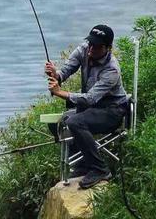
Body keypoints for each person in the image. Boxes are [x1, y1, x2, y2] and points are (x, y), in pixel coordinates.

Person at [44, 24, 128, 189]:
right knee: (63, 121)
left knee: (76, 122)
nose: (91, 49)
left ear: (108, 48)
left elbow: (90, 98)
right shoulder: (84, 49)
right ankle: (83, 165)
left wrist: (60, 92)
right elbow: (66, 70)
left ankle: (100, 169)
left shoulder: (111, 69)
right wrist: (56, 74)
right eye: (90, 43)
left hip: (112, 110)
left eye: (97, 46)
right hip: (92, 108)